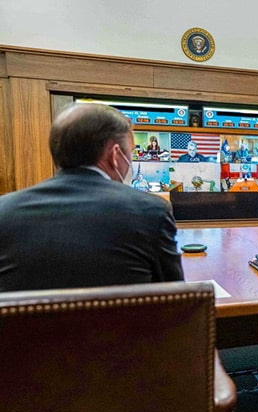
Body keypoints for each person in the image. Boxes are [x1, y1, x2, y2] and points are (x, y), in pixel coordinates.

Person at [0, 102, 183, 291]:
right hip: (120, 322)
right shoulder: (152, 211)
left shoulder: (3, 211)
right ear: (115, 155)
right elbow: (177, 301)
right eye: (132, 153)